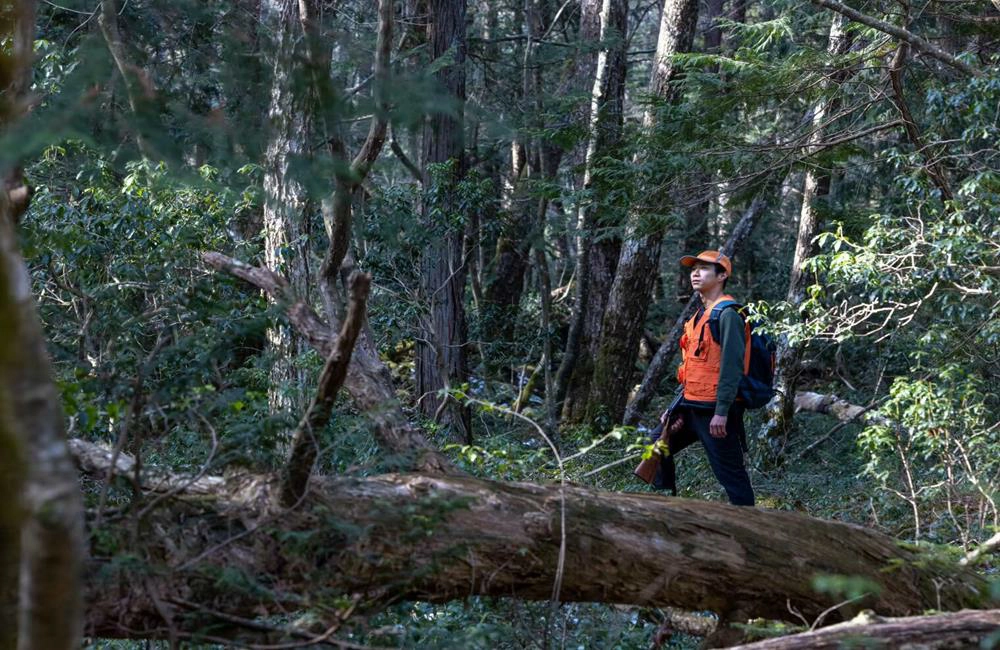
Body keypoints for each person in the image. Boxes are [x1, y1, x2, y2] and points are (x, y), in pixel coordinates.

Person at [651, 250, 755, 506]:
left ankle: (751, 528)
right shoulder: (699, 316)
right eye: (693, 268)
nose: (695, 273)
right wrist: (674, 407)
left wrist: (722, 411)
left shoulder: (728, 314)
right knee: (655, 444)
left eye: (704, 269)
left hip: (715, 413)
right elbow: (693, 368)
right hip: (689, 406)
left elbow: (732, 367)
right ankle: (667, 506)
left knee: (730, 475)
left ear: (722, 276)